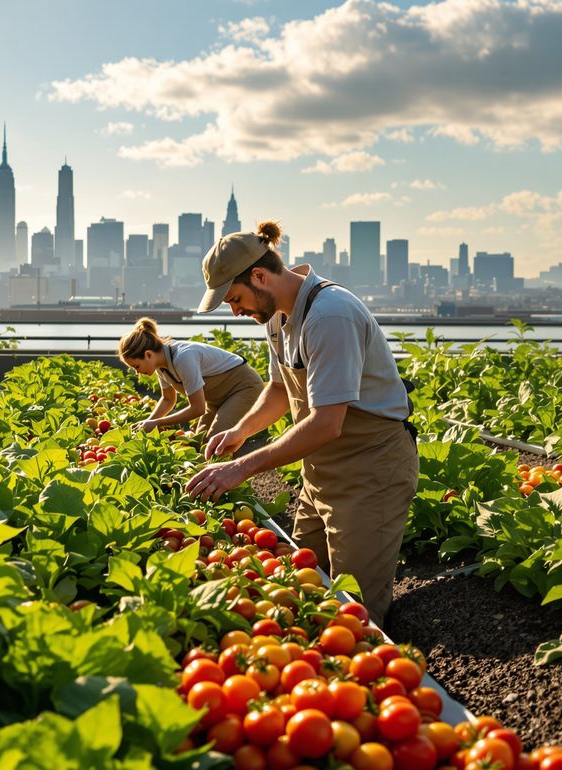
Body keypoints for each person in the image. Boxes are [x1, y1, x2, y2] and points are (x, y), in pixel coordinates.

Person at [183, 220, 417, 626]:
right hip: (320, 471)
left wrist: (241, 467)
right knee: (301, 585)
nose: (235, 311)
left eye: (235, 299)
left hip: (370, 471)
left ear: (260, 276)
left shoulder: (330, 316)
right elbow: (279, 389)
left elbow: (327, 423)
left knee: (356, 613)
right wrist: (242, 431)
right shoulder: (277, 315)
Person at [118, 317, 265, 439]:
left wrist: (157, 423)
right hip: (216, 400)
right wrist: (147, 424)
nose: (137, 372)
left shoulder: (183, 358)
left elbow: (198, 408)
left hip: (244, 388)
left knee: (216, 441)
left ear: (148, 354)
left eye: (136, 366)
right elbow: (168, 399)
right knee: (198, 439)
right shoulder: (161, 366)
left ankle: (232, 472)